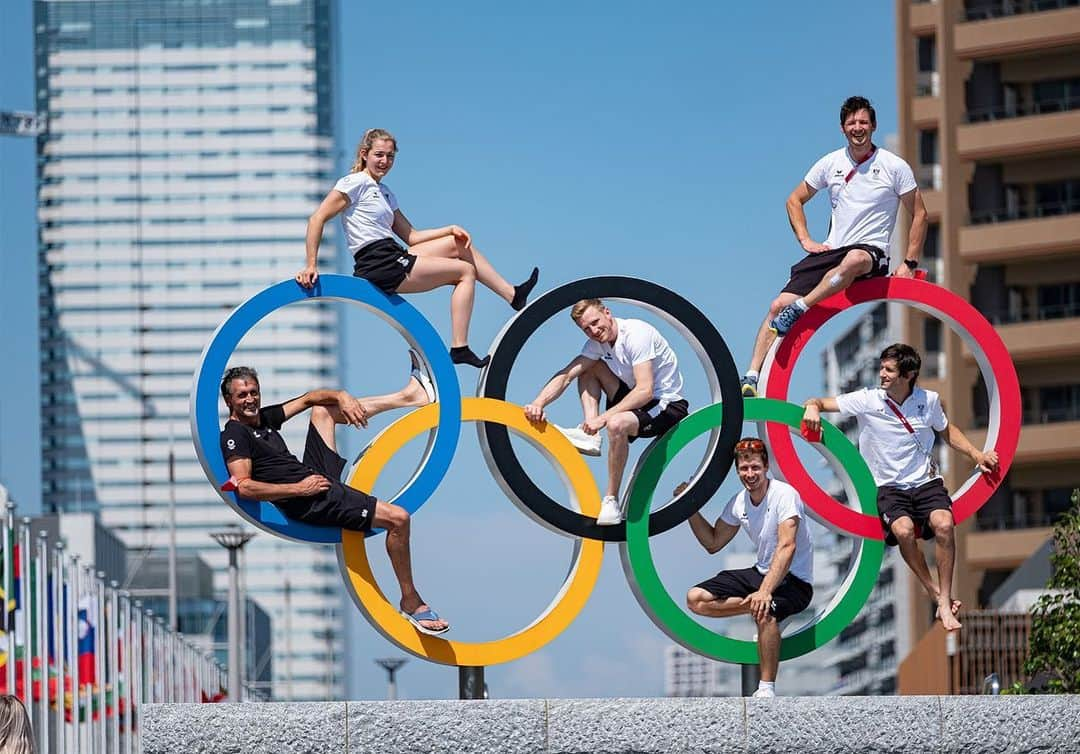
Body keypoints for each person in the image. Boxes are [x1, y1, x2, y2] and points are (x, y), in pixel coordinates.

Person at [218, 360, 450, 635]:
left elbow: (309, 399)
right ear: (229, 401)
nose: (250, 399)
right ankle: (411, 601)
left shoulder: (263, 419)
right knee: (398, 519)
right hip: (311, 501)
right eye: (242, 395)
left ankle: (410, 397)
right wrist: (299, 490)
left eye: (254, 392)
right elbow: (244, 486)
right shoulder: (234, 435)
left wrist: (343, 397)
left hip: (314, 480)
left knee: (324, 410)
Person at [297, 128, 539, 369]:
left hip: (394, 253)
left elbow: (412, 236)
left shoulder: (385, 193)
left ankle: (512, 295)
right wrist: (311, 264)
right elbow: (317, 219)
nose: (385, 161)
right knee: (465, 272)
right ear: (364, 154)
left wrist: (450, 228)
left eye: (390, 156)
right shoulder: (354, 183)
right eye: (379, 155)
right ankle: (460, 347)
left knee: (459, 244)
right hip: (378, 262)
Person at [802, 343, 1000, 632]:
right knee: (904, 531)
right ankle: (933, 591)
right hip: (888, 486)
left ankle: (944, 601)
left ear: (908, 375)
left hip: (925, 481)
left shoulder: (928, 400)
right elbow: (818, 401)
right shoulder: (868, 399)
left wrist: (977, 455)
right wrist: (812, 408)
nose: (881, 374)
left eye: (888, 370)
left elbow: (946, 431)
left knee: (944, 524)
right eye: (881, 367)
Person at [740, 96, 929, 397]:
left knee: (853, 259)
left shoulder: (894, 166)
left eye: (863, 122)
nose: (858, 128)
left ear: (874, 126)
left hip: (870, 251)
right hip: (832, 252)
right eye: (852, 123)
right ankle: (751, 376)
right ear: (843, 128)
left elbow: (919, 213)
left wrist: (909, 263)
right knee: (777, 306)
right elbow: (794, 200)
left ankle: (801, 307)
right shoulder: (831, 163)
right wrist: (805, 239)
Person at [523, 298, 688, 525]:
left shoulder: (637, 334)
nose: (593, 330)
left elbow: (645, 390)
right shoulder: (597, 343)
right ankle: (590, 436)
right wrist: (538, 402)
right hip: (635, 401)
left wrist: (603, 418)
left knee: (616, 424)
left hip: (665, 406)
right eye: (586, 329)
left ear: (607, 313)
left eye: (595, 322)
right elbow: (567, 374)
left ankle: (611, 500)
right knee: (588, 368)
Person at [685, 438, 814, 698]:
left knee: (764, 613)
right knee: (695, 600)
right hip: (761, 571)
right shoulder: (738, 502)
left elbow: (787, 547)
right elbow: (713, 542)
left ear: (766, 467)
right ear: (737, 471)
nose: (750, 474)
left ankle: (766, 687)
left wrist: (765, 592)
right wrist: (688, 507)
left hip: (795, 580)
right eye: (744, 469)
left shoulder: (785, 495)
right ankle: (751, 603)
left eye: (755, 467)